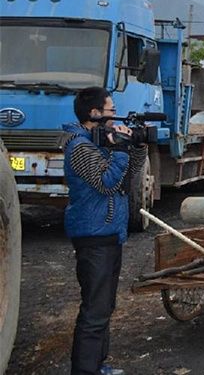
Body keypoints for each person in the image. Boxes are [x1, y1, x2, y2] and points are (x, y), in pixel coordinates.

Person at [63, 87, 146, 375]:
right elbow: (106, 182)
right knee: (94, 311)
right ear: (94, 114)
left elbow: (127, 177)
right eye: (112, 110)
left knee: (105, 306)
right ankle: (85, 371)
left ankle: (99, 365)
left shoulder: (101, 142)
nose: (115, 114)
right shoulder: (80, 146)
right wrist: (120, 149)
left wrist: (135, 146)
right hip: (93, 236)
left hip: (110, 233)